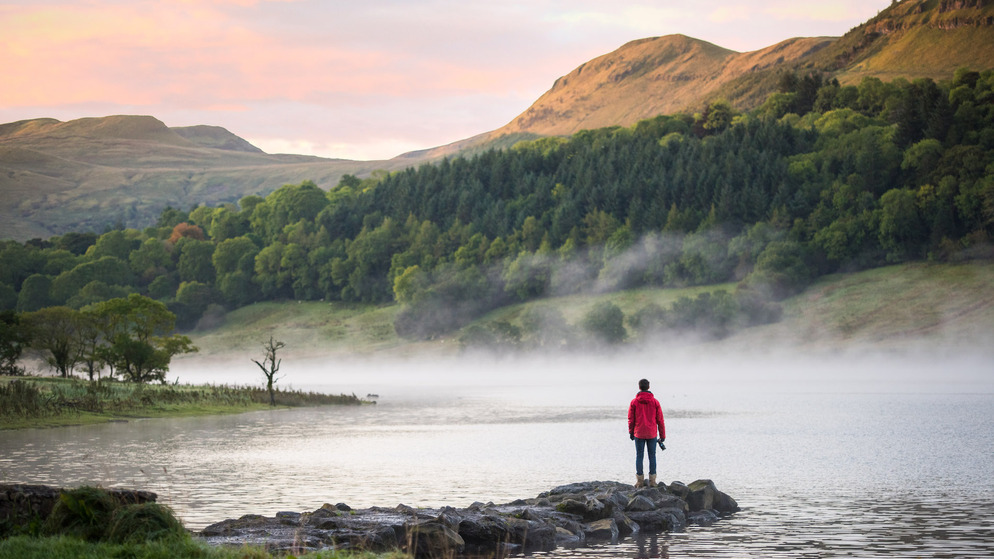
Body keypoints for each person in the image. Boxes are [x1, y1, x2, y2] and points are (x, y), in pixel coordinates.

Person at [628, 378, 665, 488]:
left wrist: (631, 432)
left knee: (639, 456)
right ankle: (652, 481)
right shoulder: (655, 402)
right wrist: (662, 435)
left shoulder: (634, 402)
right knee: (652, 456)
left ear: (639, 387)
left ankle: (640, 482)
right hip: (652, 434)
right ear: (648, 387)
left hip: (638, 433)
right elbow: (660, 420)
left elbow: (631, 419)